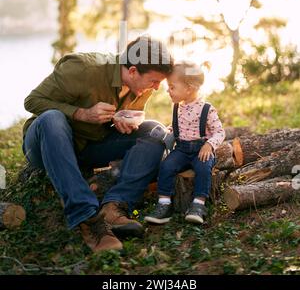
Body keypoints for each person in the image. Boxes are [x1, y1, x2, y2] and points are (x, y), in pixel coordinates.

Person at [22, 36, 173, 252]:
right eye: (154, 81)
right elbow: (32, 101)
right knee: (52, 118)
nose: (157, 88)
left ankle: (114, 207)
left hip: (90, 146)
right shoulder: (84, 69)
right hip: (46, 144)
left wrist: (122, 123)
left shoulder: (142, 86)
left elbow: (134, 116)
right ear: (132, 71)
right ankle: (87, 218)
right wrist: (82, 113)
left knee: (155, 131)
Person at [144, 61, 225, 225]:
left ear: (189, 88)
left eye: (172, 87)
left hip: (200, 149)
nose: (168, 90)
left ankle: (198, 204)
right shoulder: (177, 107)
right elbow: (179, 128)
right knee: (166, 166)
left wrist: (209, 145)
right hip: (181, 149)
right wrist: (169, 132)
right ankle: (164, 203)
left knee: (203, 168)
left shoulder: (206, 109)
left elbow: (220, 132)